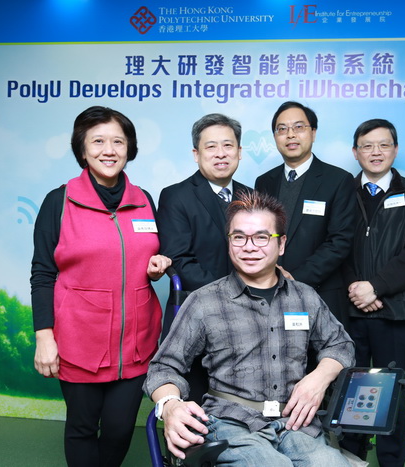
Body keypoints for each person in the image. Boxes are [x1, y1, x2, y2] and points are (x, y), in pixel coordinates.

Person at [144, 191, 355, 466]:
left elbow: (341, 345)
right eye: (239, 237)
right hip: (231, 424)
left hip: (296, 423)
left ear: (281, 245)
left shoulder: (305, 297)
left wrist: (319, 378)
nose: (249, 247)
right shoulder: (204, 301)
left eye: (262, 237)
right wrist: (170, 406)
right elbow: (163, 368)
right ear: (229, 243)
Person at [31, 106, 171, 466]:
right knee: (81, 426)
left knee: (120, 429)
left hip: (135, 341)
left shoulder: (144, 201)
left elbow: (149, 256)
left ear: (129, 148)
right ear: (82, 149)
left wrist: (157, 266)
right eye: (98, 141)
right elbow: (43, 273)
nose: (108, 150)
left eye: (117, 141)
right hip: (79, 339)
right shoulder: (58, 202)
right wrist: (44, 336)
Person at [341, 118, 405, 466]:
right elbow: (337, 246)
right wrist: (356, 289)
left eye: (383, 145)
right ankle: (350, 455)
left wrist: (375, 287)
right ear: (355, 151)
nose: (375, 152)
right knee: (353, 386)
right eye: (367, 145)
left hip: (398, 310)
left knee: (392, 388)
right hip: (350, 309)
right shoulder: (343, 192)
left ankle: (391, 460)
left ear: (395, 149)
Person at [156, 113, 251, 404]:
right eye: (211, 147)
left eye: (228, 145)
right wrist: (233, 296)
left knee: (244, 405)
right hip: (198, 315)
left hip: (250, 320)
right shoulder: (176, 196)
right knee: (194, 407)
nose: (221, 154)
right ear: (196, 154)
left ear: (239, 152)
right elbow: (179, 260)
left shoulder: (253, 197)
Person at [255, 101, 356, 327]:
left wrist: (294, 279)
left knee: (325, 361)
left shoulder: (338, 180)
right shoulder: (264, 182)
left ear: (313, 133)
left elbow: (339, 241)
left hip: (321, 294)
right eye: (282, 129)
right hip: (270, 296)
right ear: (275, 136)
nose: (290, 135)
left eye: (299, 127)